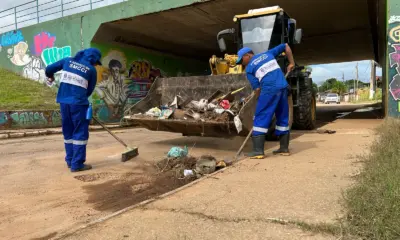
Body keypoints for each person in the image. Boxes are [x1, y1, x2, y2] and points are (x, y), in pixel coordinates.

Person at [45, 48, 102, 172]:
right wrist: (78, 97)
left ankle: (70, 160)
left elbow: (49, 69)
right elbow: (89, 90)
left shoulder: (67, 61)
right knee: (80, 132)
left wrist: (50, 77)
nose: (95, 65)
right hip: (79, 103)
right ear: (93, 59)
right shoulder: (91, 70)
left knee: (68, 132)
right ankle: (77, 164)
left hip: (64, 102)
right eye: (96, 62)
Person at [236, 43, 295, 159]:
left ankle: (258, 151)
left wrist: (258, 97)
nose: (241, 63)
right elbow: (286, 46)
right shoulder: (268, 53)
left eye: (241, 60)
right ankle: (284, 148)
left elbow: (257, 88)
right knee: (283, 117)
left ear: (247, 55)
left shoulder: (249, 69)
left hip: (269, 90)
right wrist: (292, 62)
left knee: (261, 117)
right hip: (283, 87)